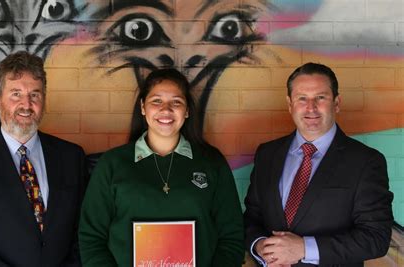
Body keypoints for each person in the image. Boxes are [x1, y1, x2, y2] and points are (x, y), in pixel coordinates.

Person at [78, 68, 244, 266]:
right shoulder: (112, 164)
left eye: (176, 102)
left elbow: (232, 236)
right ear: (142, 107)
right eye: (156, 101)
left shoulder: (211, 162)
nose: (166, 110)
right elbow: (91, 238)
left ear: (187, 110)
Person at [243, 62, 394, 266]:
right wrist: (260, 246)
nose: (311, 107)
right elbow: (252, 218)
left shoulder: (365, 161)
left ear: (337, 103)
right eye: (302, 98)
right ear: (290, 104)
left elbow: (376, 238)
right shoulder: (267, 155)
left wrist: (304, 248)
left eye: (320, 98)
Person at [0, 51, 87, 266]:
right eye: (15, 94)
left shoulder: (72, 157)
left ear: (44, 100)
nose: (26, 105)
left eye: (35, 95)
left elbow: (84, 230)